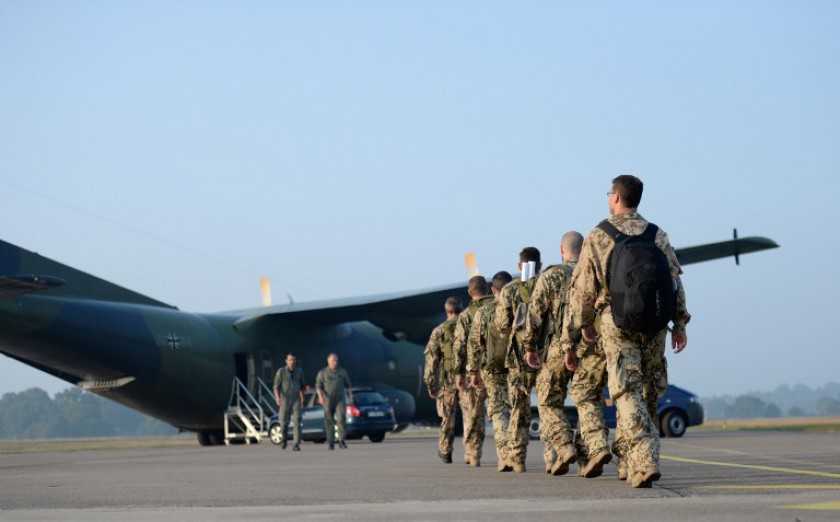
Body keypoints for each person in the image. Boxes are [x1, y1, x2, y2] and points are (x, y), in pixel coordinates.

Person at [564, 174, 690, 488]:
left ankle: (643, 460)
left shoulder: (599, 235)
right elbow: (674, 281)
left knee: (625, 391)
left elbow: (582, 291)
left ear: (616, 197)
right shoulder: (656, 234)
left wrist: (578, 332)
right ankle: (630, 464)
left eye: (609, 193)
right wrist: (680, 324)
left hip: (616, 323)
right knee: (648, 393)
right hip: (655, 323)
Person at [522, 232, 582, 475]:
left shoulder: (551, 275)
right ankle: (592, 455)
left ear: (561, 250)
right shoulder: (597, 274)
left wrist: (529, 347)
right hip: (592, 349)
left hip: (557, 348)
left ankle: (565, 447)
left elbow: (534, 316)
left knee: (548, 401)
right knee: (589, 402)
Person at [495, 247, 541, 473]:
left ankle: (518, 459)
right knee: (549, 406)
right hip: (545, 356)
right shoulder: (547, 284)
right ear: (539, 266)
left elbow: (502, 326)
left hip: (518, 358)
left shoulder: (510, 290)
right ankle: (553, 457)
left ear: (519, 266)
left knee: (518, 409)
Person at [466, 271, 514, 472]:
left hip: (492, 369)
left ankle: (505, 457)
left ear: (493, 290)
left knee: (500, 411)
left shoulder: (483, 313)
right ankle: (532, 455)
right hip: (517, 368)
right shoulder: (520, 308)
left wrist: (473, 372)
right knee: (520, 410)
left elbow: (474, 344)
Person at [452, 275, 493, 467]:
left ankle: (473, 453)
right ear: (488, 289)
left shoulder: (466, 315)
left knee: (472, 414)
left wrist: (459, 374)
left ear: (470, 293)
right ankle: (509, 453)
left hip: (473, 372)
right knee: (501, 411)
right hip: (498, 369)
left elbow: (459, 347)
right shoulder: (499, 308)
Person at [423, 296, 465, 464]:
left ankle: (445, 450)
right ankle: (472, 453)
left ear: (447, 311)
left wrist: (431, 384)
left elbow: (432, 361)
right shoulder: (468, 327)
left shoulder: (439, 331)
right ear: (461, 310)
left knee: (448, 417)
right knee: (471, 417)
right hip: (468, 380)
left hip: (448, 381)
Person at [315, 353, 354, 450]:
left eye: (336, 360)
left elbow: (348, 384)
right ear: (328, 361)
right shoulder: (323, 373)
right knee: (329, 421)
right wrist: (320, 397)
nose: (335, 362)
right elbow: (318, 386)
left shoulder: (342, 371)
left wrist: (351, 396)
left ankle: (341, 440)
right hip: (328, 400)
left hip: (340, 399)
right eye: (333, 360)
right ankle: (331, 442)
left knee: (341, 419)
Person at [273, 353, 306, 451]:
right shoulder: (281, 372)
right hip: (285, 399)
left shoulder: (299, 371)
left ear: (295, 361)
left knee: (297, 421)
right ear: (286, 361)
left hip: (296, 399)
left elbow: (302, 387)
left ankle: (296, 444)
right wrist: (277, 398)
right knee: (283, 422)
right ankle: (284, 439)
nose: (292, 362)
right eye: (290, 360)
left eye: (293, 360)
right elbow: (276, 387)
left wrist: (303, 399)